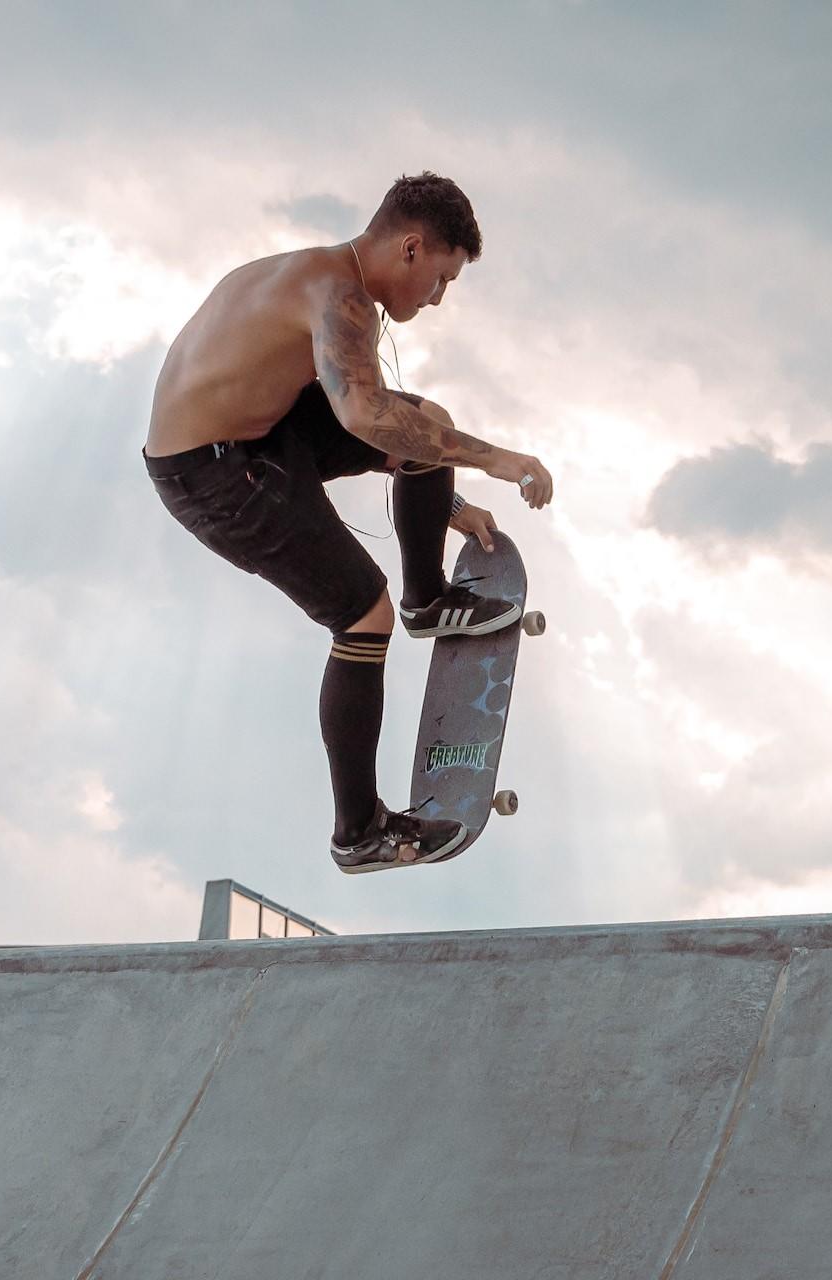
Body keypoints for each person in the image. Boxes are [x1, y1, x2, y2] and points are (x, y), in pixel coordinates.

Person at [144, 172, 553, 874]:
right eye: (441, 279)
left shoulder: (318, 274)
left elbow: (372, 419)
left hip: (262, 432)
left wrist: (447, 509)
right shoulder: (340, 298)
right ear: (411, 248)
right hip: (211, 471)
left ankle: (429, 598)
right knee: (363, 615)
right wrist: (497, 459)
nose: (438, 299)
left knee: (426, 424)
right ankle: (360, 833)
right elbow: (363, 415)